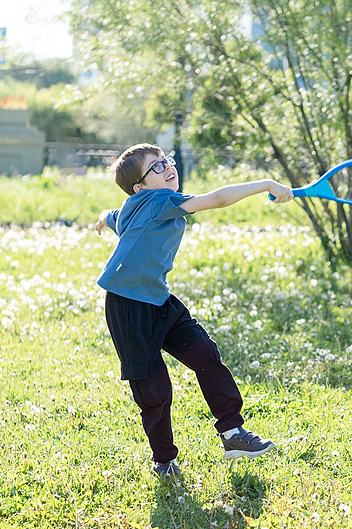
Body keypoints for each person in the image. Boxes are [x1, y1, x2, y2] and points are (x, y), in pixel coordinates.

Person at [93, 143, 293, 477]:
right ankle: (164, 461)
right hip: (128, 306)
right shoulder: (159, 201)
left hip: (158, 298)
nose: (167, 167)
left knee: (204, 353)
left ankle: (233, 434)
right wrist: (265, 184)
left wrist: (101, 219)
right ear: (140, 187)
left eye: (166, 161)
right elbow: (215, 199)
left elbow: (112, 216)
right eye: (156, 167)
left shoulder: (136, 204)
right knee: (154, 389)